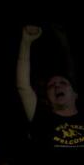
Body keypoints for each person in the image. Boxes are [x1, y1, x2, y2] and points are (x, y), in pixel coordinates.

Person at [16, 25, 83, 164]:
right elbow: (23, 86)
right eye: (51, 86)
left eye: (63, 83)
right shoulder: (41, 118)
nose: (57, 86)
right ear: (48, 99)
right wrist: (26, 42)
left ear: (75, 94)